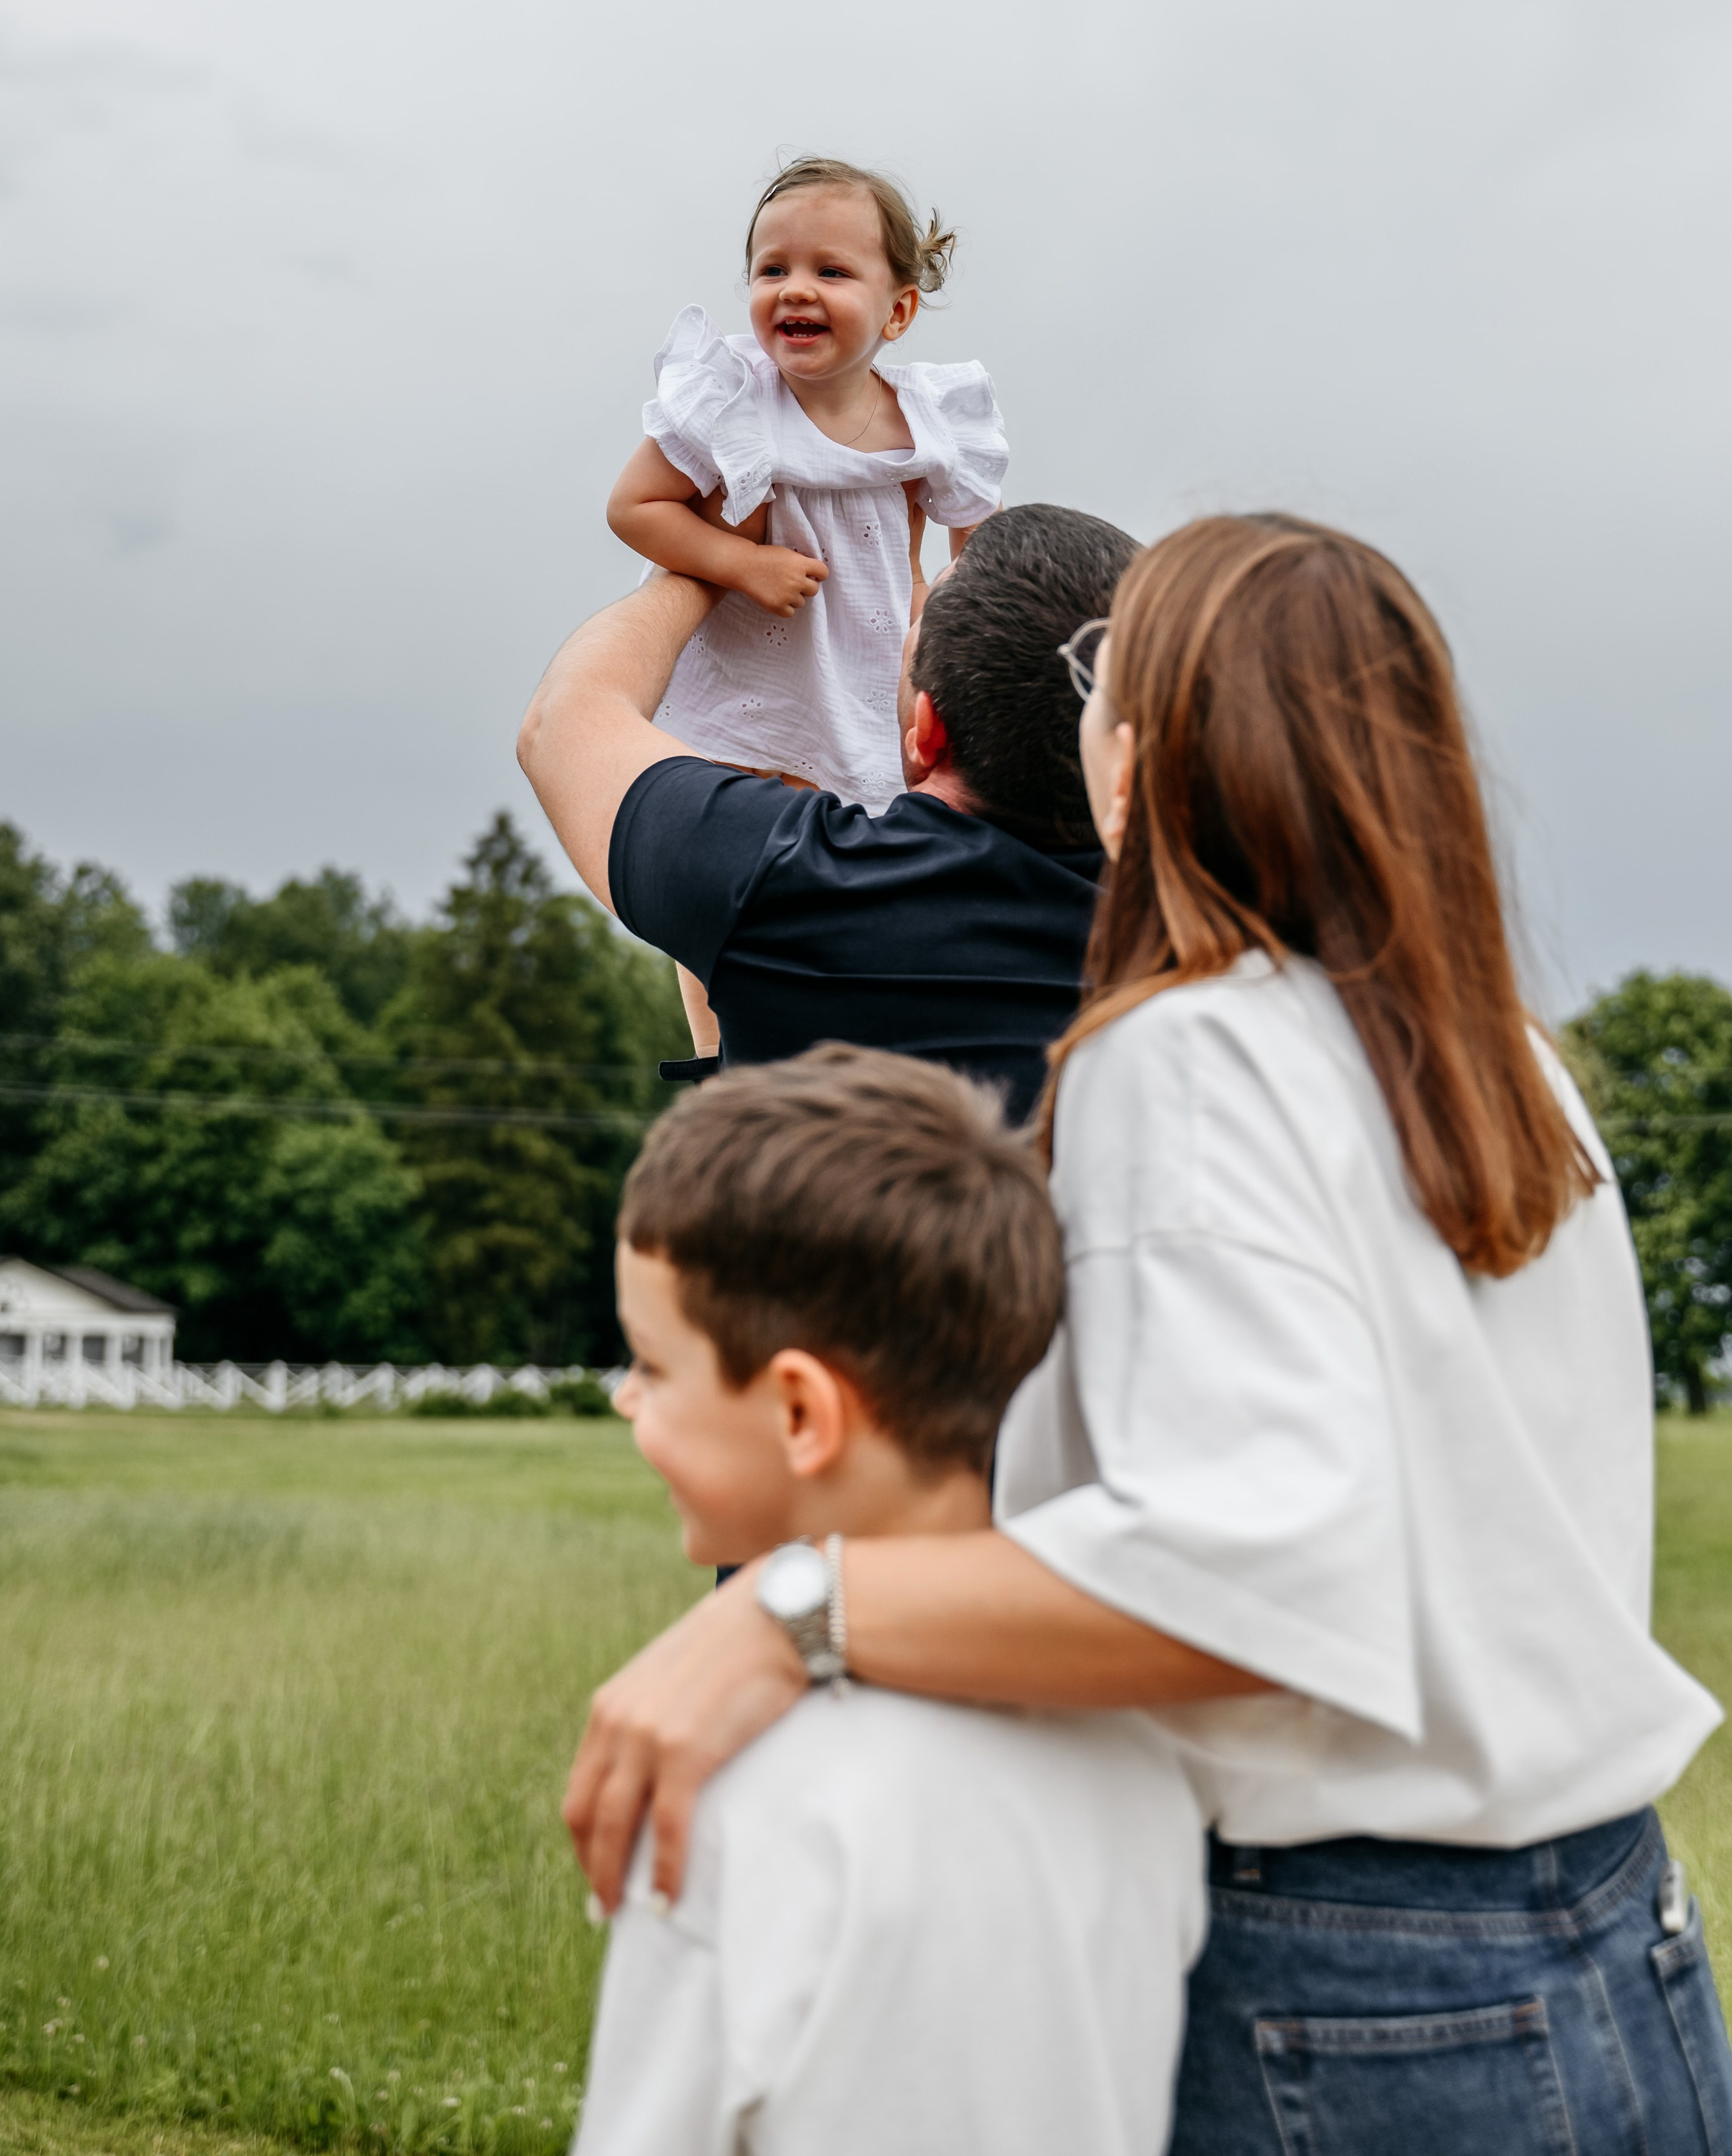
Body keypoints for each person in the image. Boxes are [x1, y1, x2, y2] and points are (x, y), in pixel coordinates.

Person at [561, 513, 1732, 2156]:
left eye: (1113, 679)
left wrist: (783, 1618)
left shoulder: (1185, 1057)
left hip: (1352, 1976)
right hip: (1631, 1941)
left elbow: (1253, 1579)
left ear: (1148, 751)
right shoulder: (1499, 1065)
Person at [573, 1046, 1206, 2156]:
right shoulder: (1141, 1758)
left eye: (654, 1367)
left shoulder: (718, 1799)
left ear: (803, 1414)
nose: (628, 1398)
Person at [517, 501, 1136, 1123]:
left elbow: (561, 722)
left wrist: (711, 563)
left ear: (928, 732)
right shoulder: (1200, 931)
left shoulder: (787, 880)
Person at [604, 156, 1007, 1050]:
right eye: (772, 269)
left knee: (853, 869)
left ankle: (847, 1036)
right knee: (728, 876)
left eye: (832, 271)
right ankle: (721, 1049)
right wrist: (738, 564)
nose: (797, 289)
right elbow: (636, 507)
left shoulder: (932, 419)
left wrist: (943, 623)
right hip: (752, 672)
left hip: (864, 673)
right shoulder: (735, 401)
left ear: (898, 309)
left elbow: (981, 552)